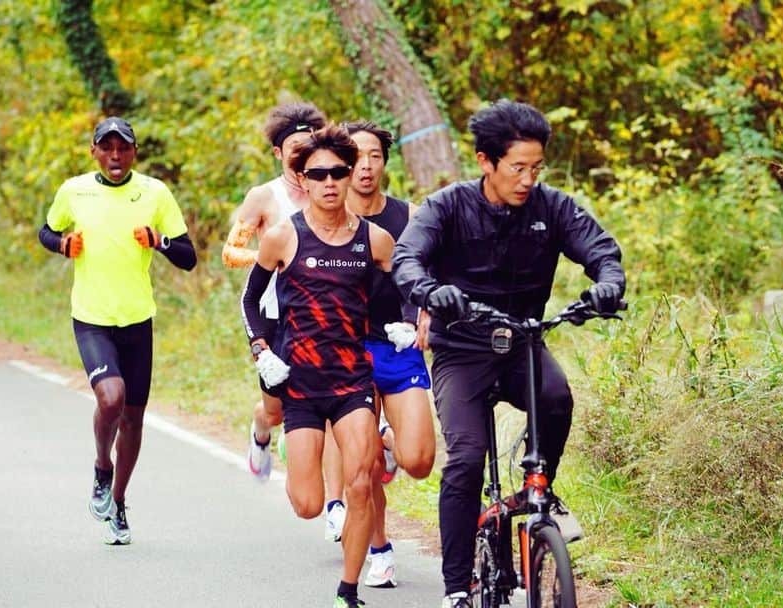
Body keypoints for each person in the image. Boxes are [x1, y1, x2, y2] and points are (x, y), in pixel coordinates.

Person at [391, 100, 625, 608]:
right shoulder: (446, 207)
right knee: (467, 460)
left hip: (522, 341)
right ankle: (456, 587)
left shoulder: (553, 208)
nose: (527, 179)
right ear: (486, 162)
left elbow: (600, 249)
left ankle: (539, 486)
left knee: (557, 397)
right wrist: (431, 291)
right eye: (517, 167)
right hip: (463, 349)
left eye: (536, 168)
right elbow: (408, 259)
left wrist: (608, 284)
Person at [240, 124, 396, 608]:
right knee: (308, 505)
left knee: (361, 482)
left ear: (351, 176)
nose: (330, 182)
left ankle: (348, 592)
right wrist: (263, 352)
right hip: (301, 385)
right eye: (318, 174)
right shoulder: (283, 237)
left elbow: (394, 307)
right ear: (301, 179)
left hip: (352, 381)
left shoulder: (376, 240)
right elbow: (250, 301)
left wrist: (405, 327)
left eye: (338, 173)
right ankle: (288, 450)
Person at [38, 116, 197, 545]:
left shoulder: (155, 193)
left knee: (134, 419)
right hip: (91, 317)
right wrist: (61, 244)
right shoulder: (74, 190)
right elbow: (46, 231)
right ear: (93, 151)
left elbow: (188, 256)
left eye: (122, 148)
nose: (114, 156)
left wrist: (158, 241)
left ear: (134, 152)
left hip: (137, 320)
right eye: (106, 147)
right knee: (111, 396)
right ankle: (100, 468)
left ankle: (119, 502)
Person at [222, 102, 347, 542]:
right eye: (296, 149)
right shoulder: (264, 197)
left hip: (326, 319)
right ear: (280, 153)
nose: (304, 159)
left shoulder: (333, 189)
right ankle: (260, 430)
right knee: (275, 411)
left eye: (311, 147)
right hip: (275, 317)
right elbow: (230, 251)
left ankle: (336, 504)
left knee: (335, 412)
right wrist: (275, 258)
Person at [343, 120, 437, 589]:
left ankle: (387, 438)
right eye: (356, 157)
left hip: (398, 348)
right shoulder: (329, 216)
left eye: (375, 156)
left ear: (385, 161)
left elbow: (426, 273)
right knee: (365, 466)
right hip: (347, 352)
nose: (365, 166)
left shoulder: (409, 215)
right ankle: (379, 549)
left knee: (419, 461)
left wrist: (424, 314)